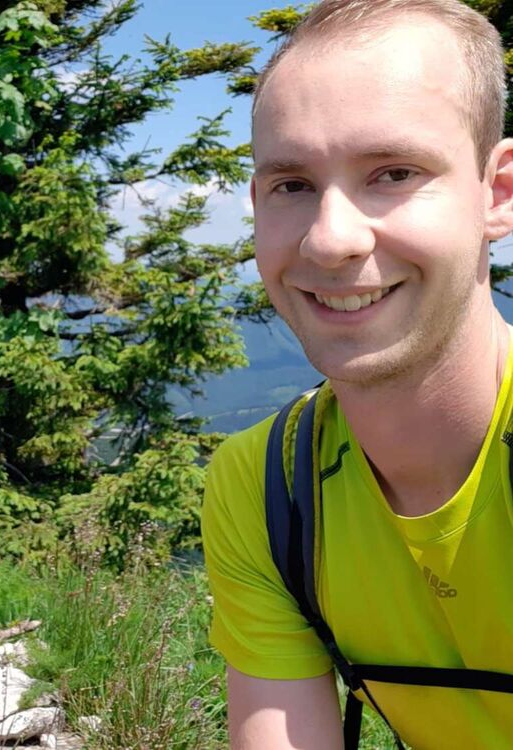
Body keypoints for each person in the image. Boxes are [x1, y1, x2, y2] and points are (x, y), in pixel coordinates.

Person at [201, 0, 513, 748]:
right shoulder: (269, 490)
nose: (331, 239)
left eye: (394, 173)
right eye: (292, 184)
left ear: (496, 193)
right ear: (257, 205)